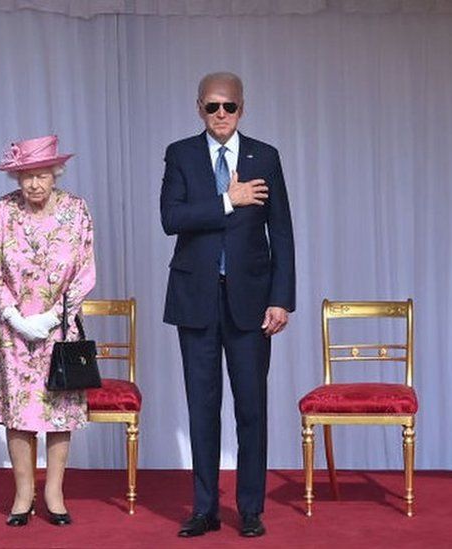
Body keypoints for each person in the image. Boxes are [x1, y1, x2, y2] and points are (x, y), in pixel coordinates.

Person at [160, 72, 296, 538]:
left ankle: (251, 508)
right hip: (195, 298)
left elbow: (281, 233)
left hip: (252, 302)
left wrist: (282, 299)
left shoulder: (266, 156)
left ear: (243, 107)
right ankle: (204, 509)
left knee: (251, 407)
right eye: (212, 106)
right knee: (202, 406)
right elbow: (171, 218)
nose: (221, 115)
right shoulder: (180, 154)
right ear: (198, 107)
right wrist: (227, 199)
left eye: (229, 107)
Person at [0, 135, 96, 527]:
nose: (34, 184)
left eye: (42, 175)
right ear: (16, 177)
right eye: (26, 175)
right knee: (19, 413)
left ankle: (54, 492)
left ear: (55, 173)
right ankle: (23, 493)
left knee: (58, 412)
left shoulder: (76, 210)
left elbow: (85, 270)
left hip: (59, 331)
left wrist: (50, 318)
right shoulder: (3, 211)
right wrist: (15, 316)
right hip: (13, 331)